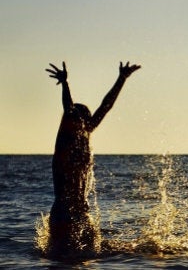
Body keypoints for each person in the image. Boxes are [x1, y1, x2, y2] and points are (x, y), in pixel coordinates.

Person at [45, 61, 141, 257]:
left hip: (81, 210)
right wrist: (65, 83)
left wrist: (121, 79)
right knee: (62, 258)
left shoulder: (85, 134)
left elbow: (105, 107)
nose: (86, 121)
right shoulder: (66, 138)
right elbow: (69, 107)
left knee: (90, 255)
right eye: (82, 117)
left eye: (87, 118)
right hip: (63, 210)